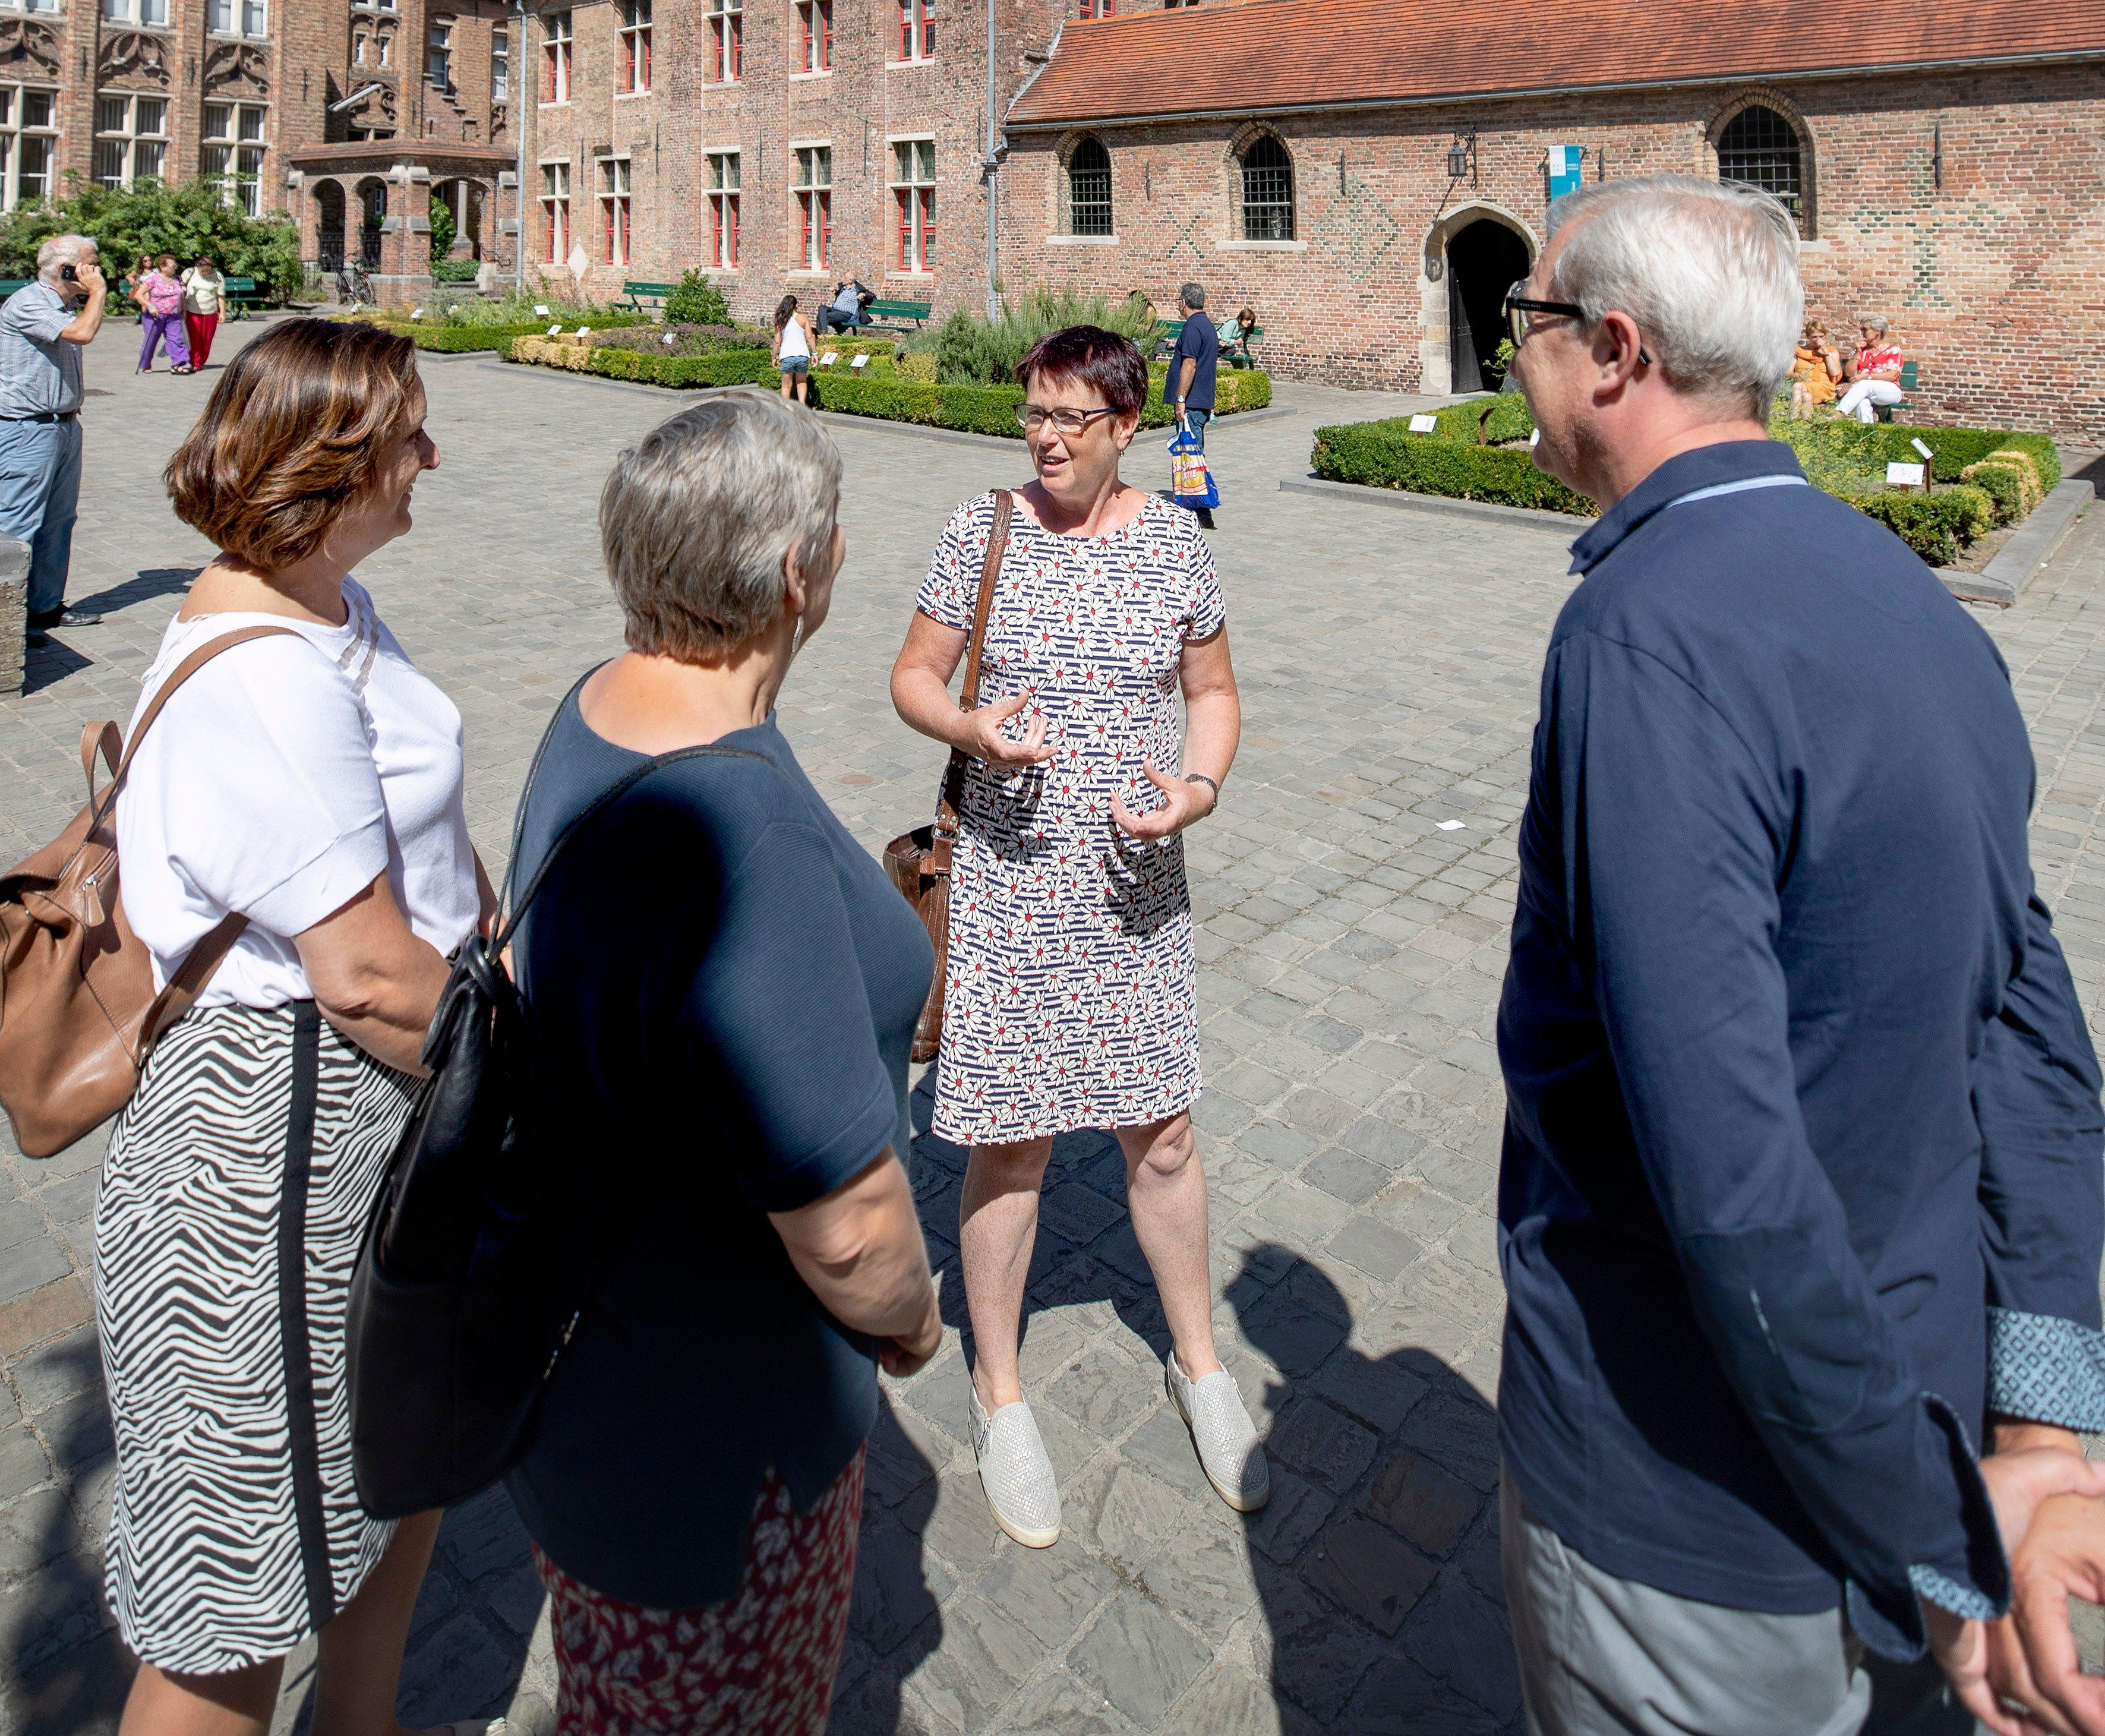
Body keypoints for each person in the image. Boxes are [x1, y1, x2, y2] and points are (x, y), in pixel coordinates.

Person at [1495, 177, 2105, 1736]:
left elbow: (1725, 1170)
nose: (1513, 355)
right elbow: (2030, 1040)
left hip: (1707, 1515)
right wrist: (2037, 1423)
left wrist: (1927, 1530)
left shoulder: (1638, 636)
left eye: (1528, 321)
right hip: (1927, 1418)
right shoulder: (1919, 606)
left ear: (1611, 350)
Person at [504, 394, 941, 1736]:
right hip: (712, 1438)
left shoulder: (602, 710)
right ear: (800, 575)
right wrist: (915, 1327)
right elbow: (853, 1226)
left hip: (592, 1381)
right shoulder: (737, 827)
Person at [99, 319, 487, 1736]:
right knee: (231, 1603)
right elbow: (371, 975)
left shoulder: (319, 596)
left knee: (388, 1489)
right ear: (338, 462)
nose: (431, 458)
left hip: (363, 1137)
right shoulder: (264, 670)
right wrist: (532, 1088)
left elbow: (410, 818)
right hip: (267, 1159)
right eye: (411, 437)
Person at [889, 324, 1264, 1549]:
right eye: (1032, 415)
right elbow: (911, 676)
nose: (1045, 438)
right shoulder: (982, 524)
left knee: (1160, 1134)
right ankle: (1000, 1391)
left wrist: (1195, 792)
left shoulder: (1169, 542)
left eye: (1069, 419)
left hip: (1135, 883)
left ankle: (1202, 1365)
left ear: (1123, 426)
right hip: (1010, 880)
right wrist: (970, 726)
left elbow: (1211, 694)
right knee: (1012, 1142)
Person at [0, 231, 105, 640]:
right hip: (28, 429)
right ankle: (7, 620)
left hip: (62, 425)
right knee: (17, 522)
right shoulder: (30, 302)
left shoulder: (62, 306)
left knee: (59, 520)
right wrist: (96, 293)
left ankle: (42, 607)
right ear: (65, 268)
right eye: (90, 264)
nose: (97, 271)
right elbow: (82, 334)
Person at [1164, 282, 1219, 528]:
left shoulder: (1193, 328)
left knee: (1191, 456)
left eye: (1179, 300)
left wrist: (1180, 399)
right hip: (1201, 401)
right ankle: (1192, 506)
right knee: (1192, 453)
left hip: (1192, 403)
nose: (1178, 304)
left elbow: (1190, 364)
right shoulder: (1207, 326)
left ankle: (1200, 511)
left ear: (1184, 303)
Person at [1838, 315, 1908, 422]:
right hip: (1863, 390)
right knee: (1862, 403)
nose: (1862, 333)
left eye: (1865, 330)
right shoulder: (1861, 350)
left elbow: (1893, 375)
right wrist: (1857, 352)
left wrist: (1867, 376)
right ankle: (1869, 434)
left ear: (1878, 332)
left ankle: (1838, 414)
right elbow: (1849, 374)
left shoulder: (1893, 350)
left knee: (1865, 384)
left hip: (1889, 390)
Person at [135, 251, 192, 375]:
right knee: (151, 341)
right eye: (172, 266)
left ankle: (178, 364)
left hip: (174, 315)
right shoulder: (153, 279)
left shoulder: (178, 279)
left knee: (176, 339)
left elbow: (181, 296)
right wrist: (151, 307)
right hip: (155, 316)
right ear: (162, 267)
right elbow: (138, 295)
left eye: (175, 266)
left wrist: (184, 310)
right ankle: (145, 364)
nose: (174, 268)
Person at [181, 251, 226, 370]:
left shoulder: (218, 276)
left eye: (208, 270)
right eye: (203, 270)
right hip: (192, 310)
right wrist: (186, 290)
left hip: (210, 311)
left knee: (207, 338)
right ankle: (194, 362)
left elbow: (221, 296)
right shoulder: (190, 273)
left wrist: (222, 313)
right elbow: (180, 286)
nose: (205, 272)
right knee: (194, 337)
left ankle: (201, 361)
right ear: (198, 267)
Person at [774, 290, 813, 403]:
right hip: (802, 354)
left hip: (787, 355)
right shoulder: (803, 319)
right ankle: (802, 405)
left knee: (786, 386)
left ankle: (786, 408)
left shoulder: (781, 320)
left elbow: (777, 342)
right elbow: (810, 337)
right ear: (796, 305)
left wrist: (774, 356)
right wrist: (814, 353)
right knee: (801, 382)